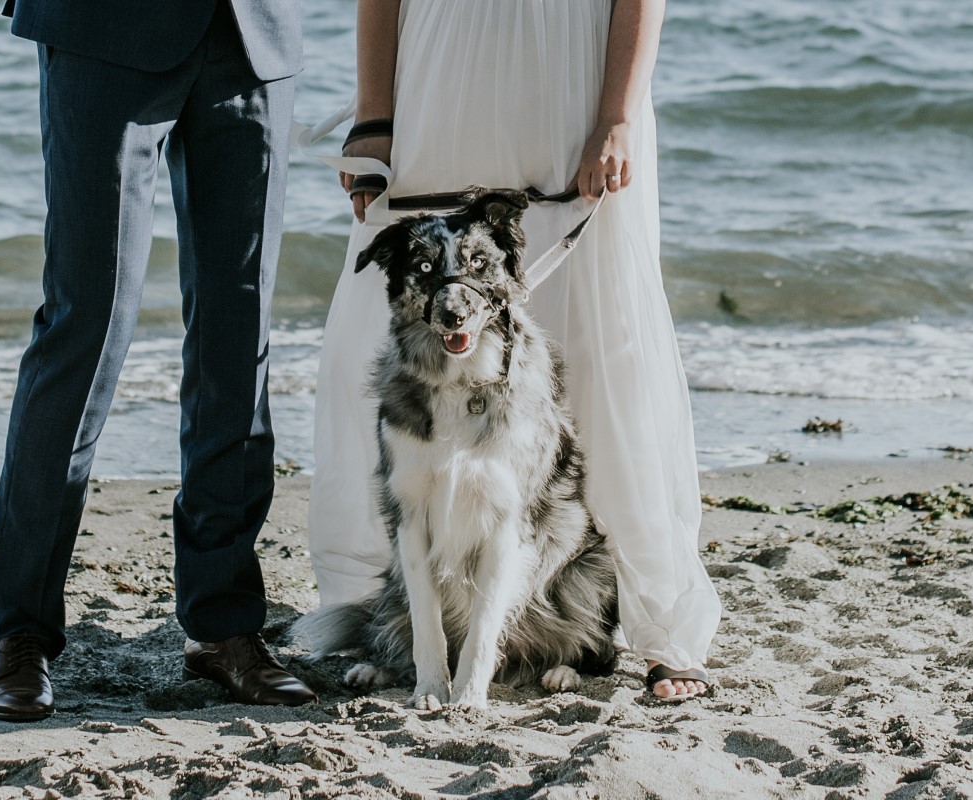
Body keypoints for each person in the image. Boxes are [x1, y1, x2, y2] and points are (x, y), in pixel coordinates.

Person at [308, 0, 722, 701]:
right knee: (380, 346)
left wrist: (616, 115)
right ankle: (391, 616)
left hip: (572, 69)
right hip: (439, 68)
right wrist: (374, 115)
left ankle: (652, 624)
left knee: (601, 352)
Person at [0, 0, 318, 721]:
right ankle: (18, 630)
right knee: (87, 325)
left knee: (240, 322)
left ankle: (224, 625)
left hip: (253, 31)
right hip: (104, 27)